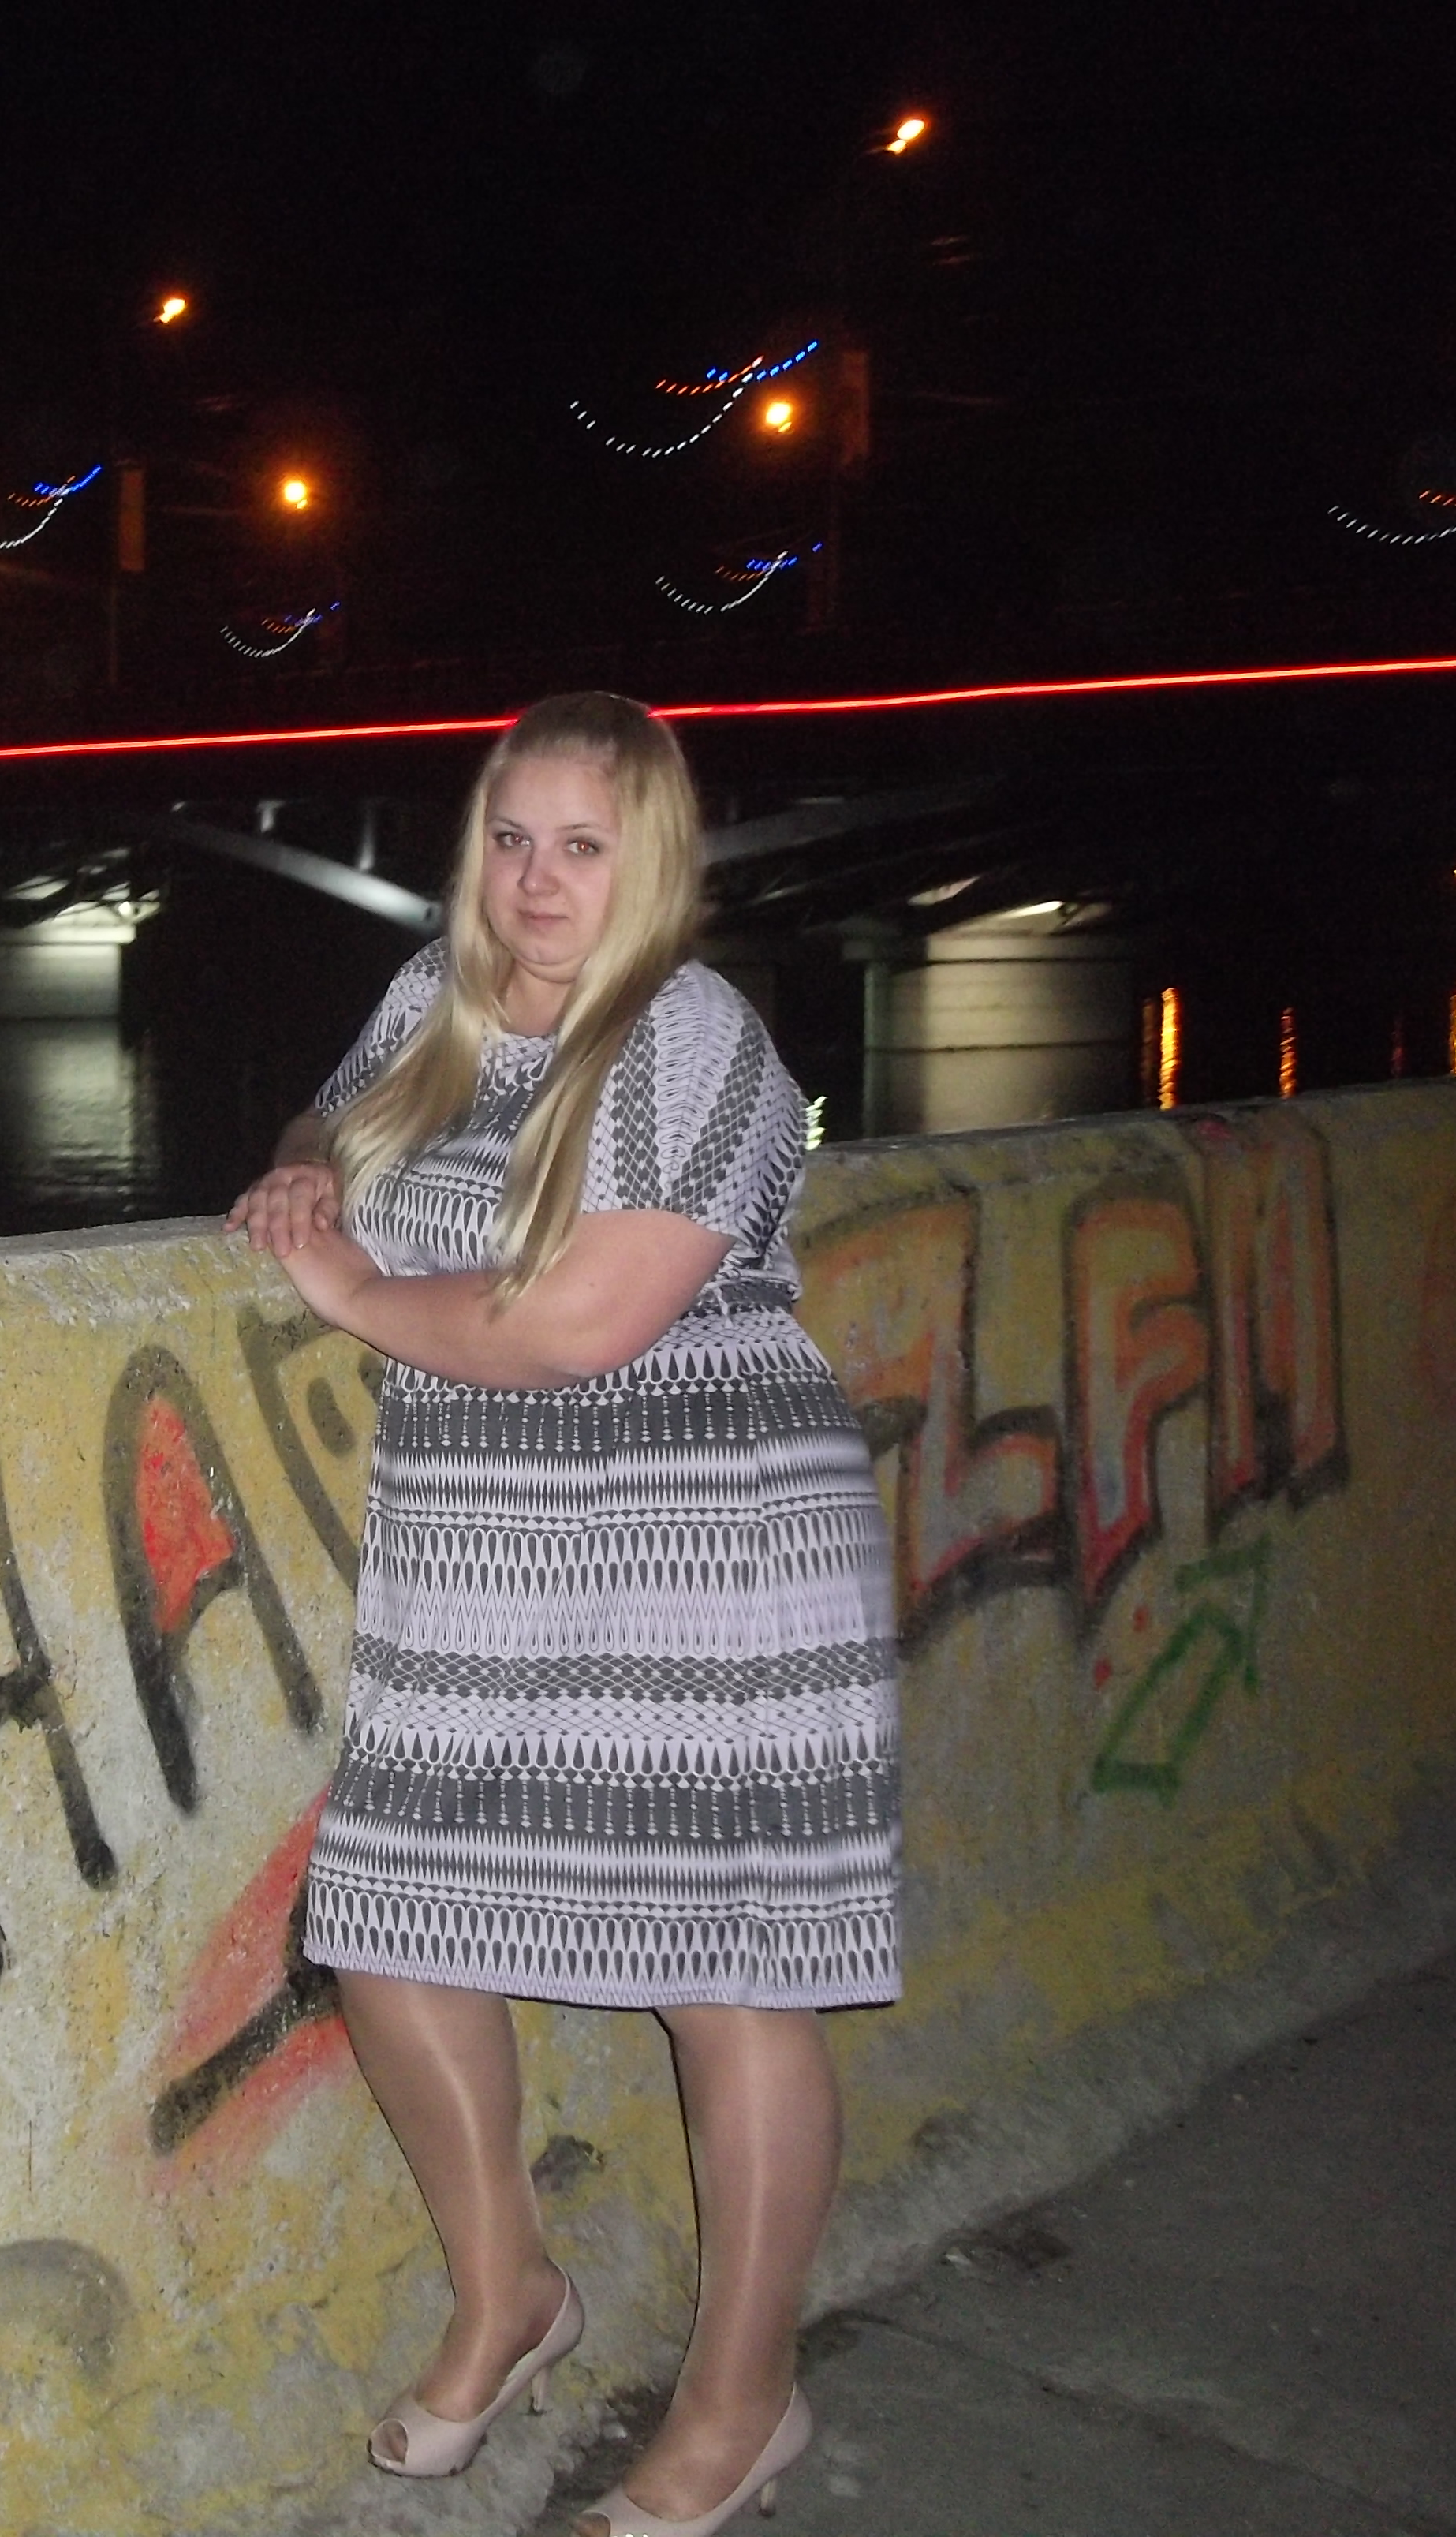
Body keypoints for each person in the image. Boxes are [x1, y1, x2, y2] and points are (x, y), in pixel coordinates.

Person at [226, 693, 899, 2535]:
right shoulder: (437, 1003)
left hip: (701, 1547)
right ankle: (508, 2295)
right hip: (480, 1550)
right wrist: (307, 1162)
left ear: (648, 860)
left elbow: (580, 1322)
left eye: (580, 846)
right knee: (389, 1920)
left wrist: (348, 1290)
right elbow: (331, 1102)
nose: (536, 880)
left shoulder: (686, 1034)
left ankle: (739, 2403)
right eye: (511, 839)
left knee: (720, 1983)